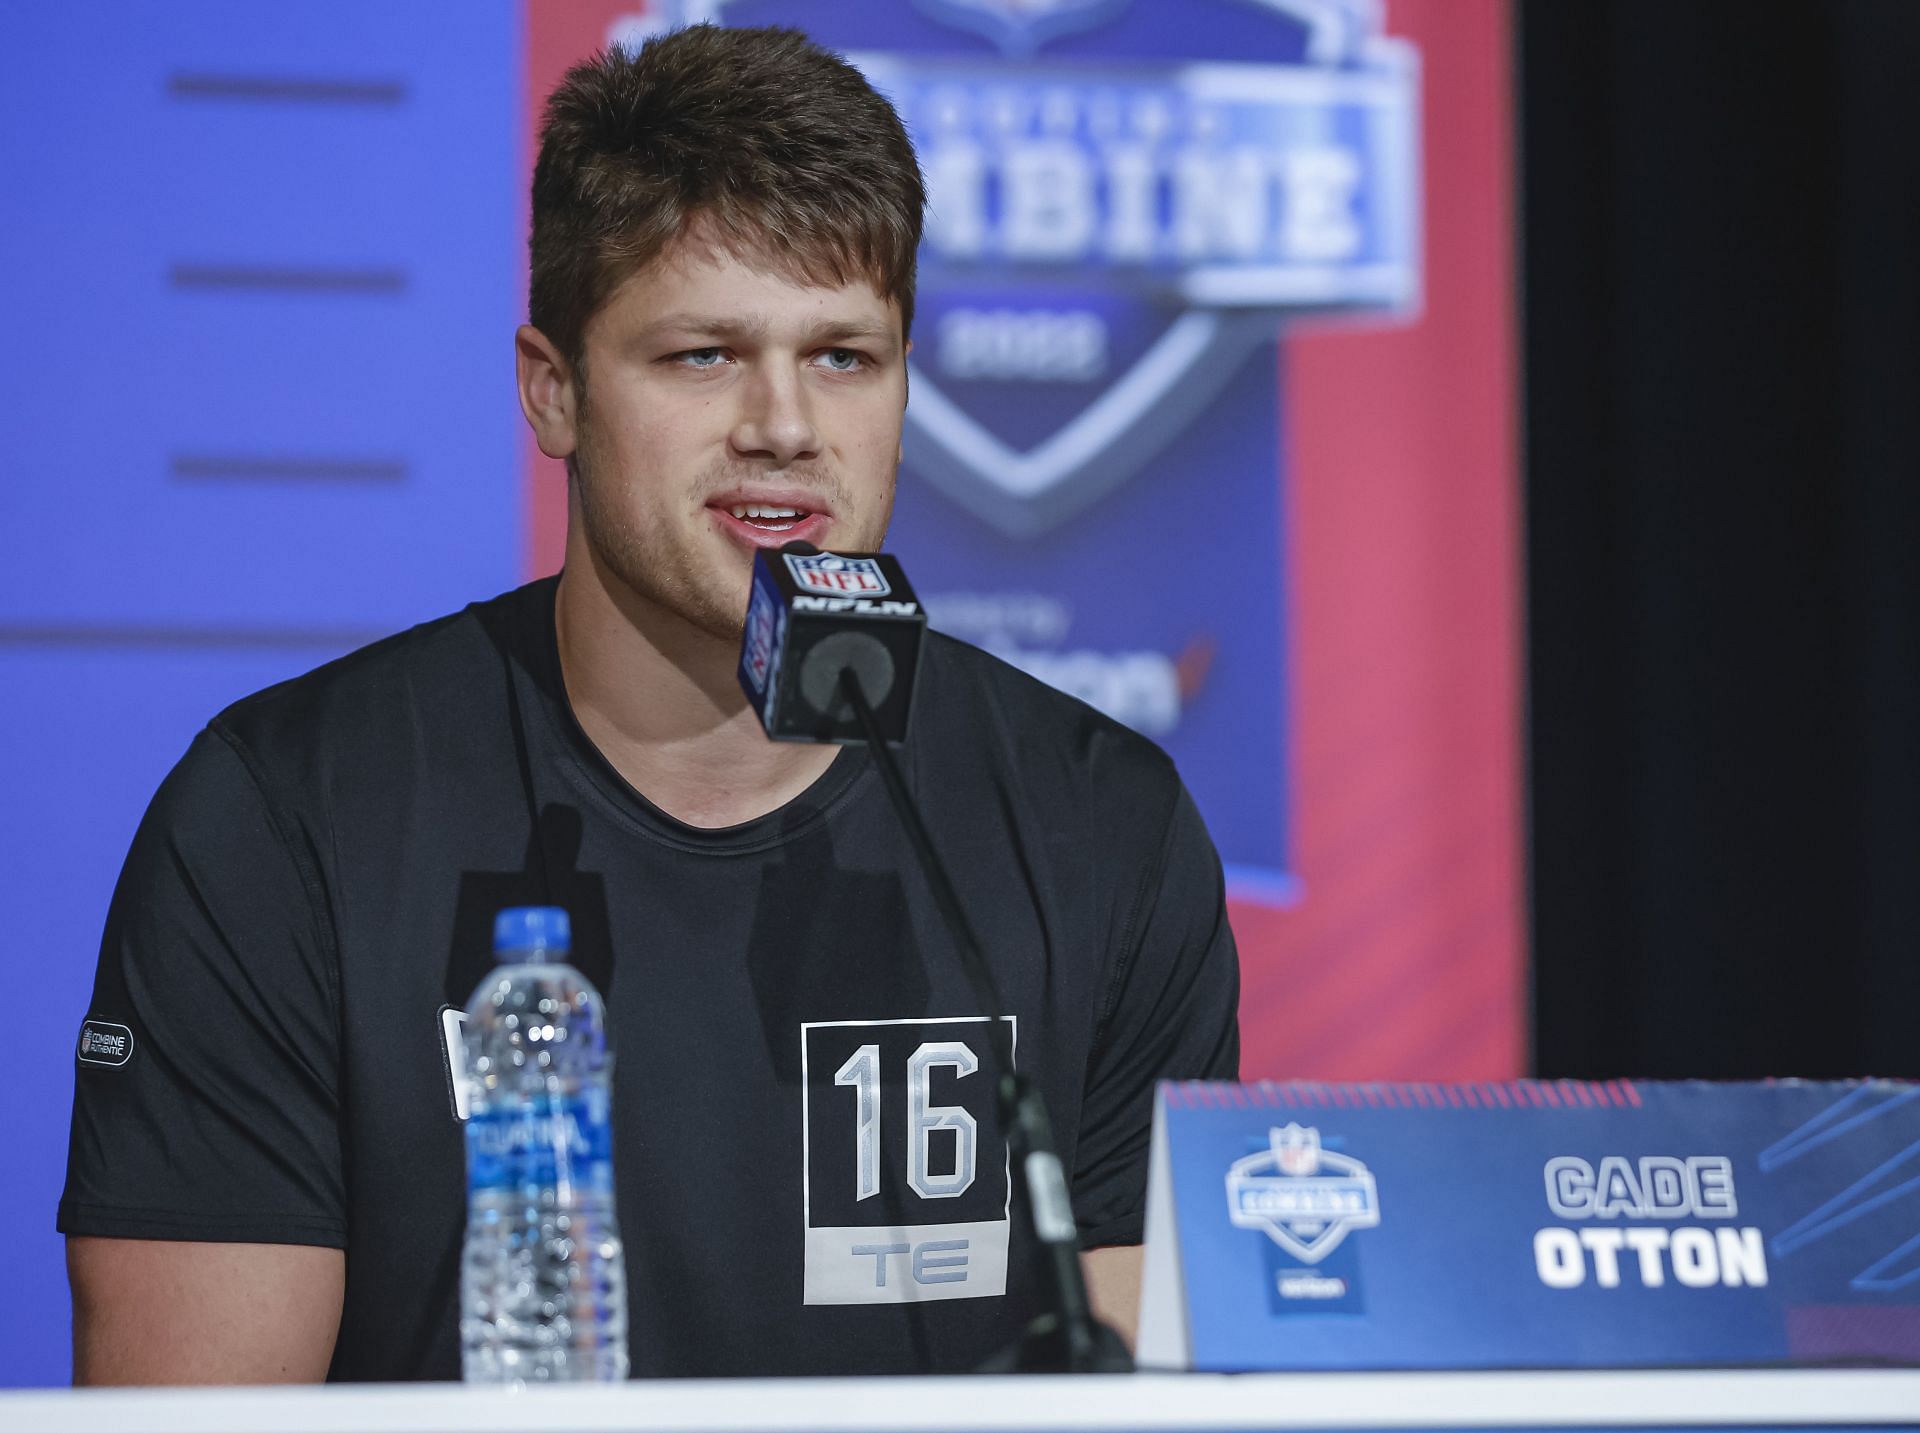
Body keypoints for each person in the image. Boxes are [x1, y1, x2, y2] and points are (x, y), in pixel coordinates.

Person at [61, 25, 1238, 1383]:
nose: (784, 424)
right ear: (551, 390)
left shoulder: (1099, 828)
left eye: (845, 356)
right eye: (702, 355)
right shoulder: (286, 819)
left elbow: (1135, 1393)